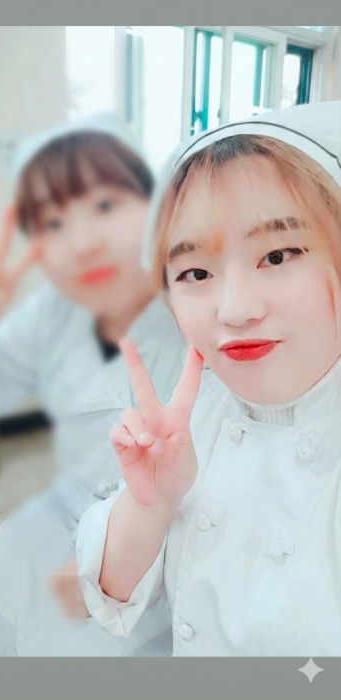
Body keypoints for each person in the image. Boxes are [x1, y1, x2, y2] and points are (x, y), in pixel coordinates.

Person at [0, 113, 186, 656]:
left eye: (104, 206)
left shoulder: (196, 309)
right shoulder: (53, 314)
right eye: (54, 222)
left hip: (164, 550)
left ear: (149, 206)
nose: (83, 240)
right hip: (58, 521)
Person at [75, 100, 341, 656]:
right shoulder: (197, 417)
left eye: (277, 255)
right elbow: (112, 594)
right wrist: (150, 505)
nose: (235, 310)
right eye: (195, 272)